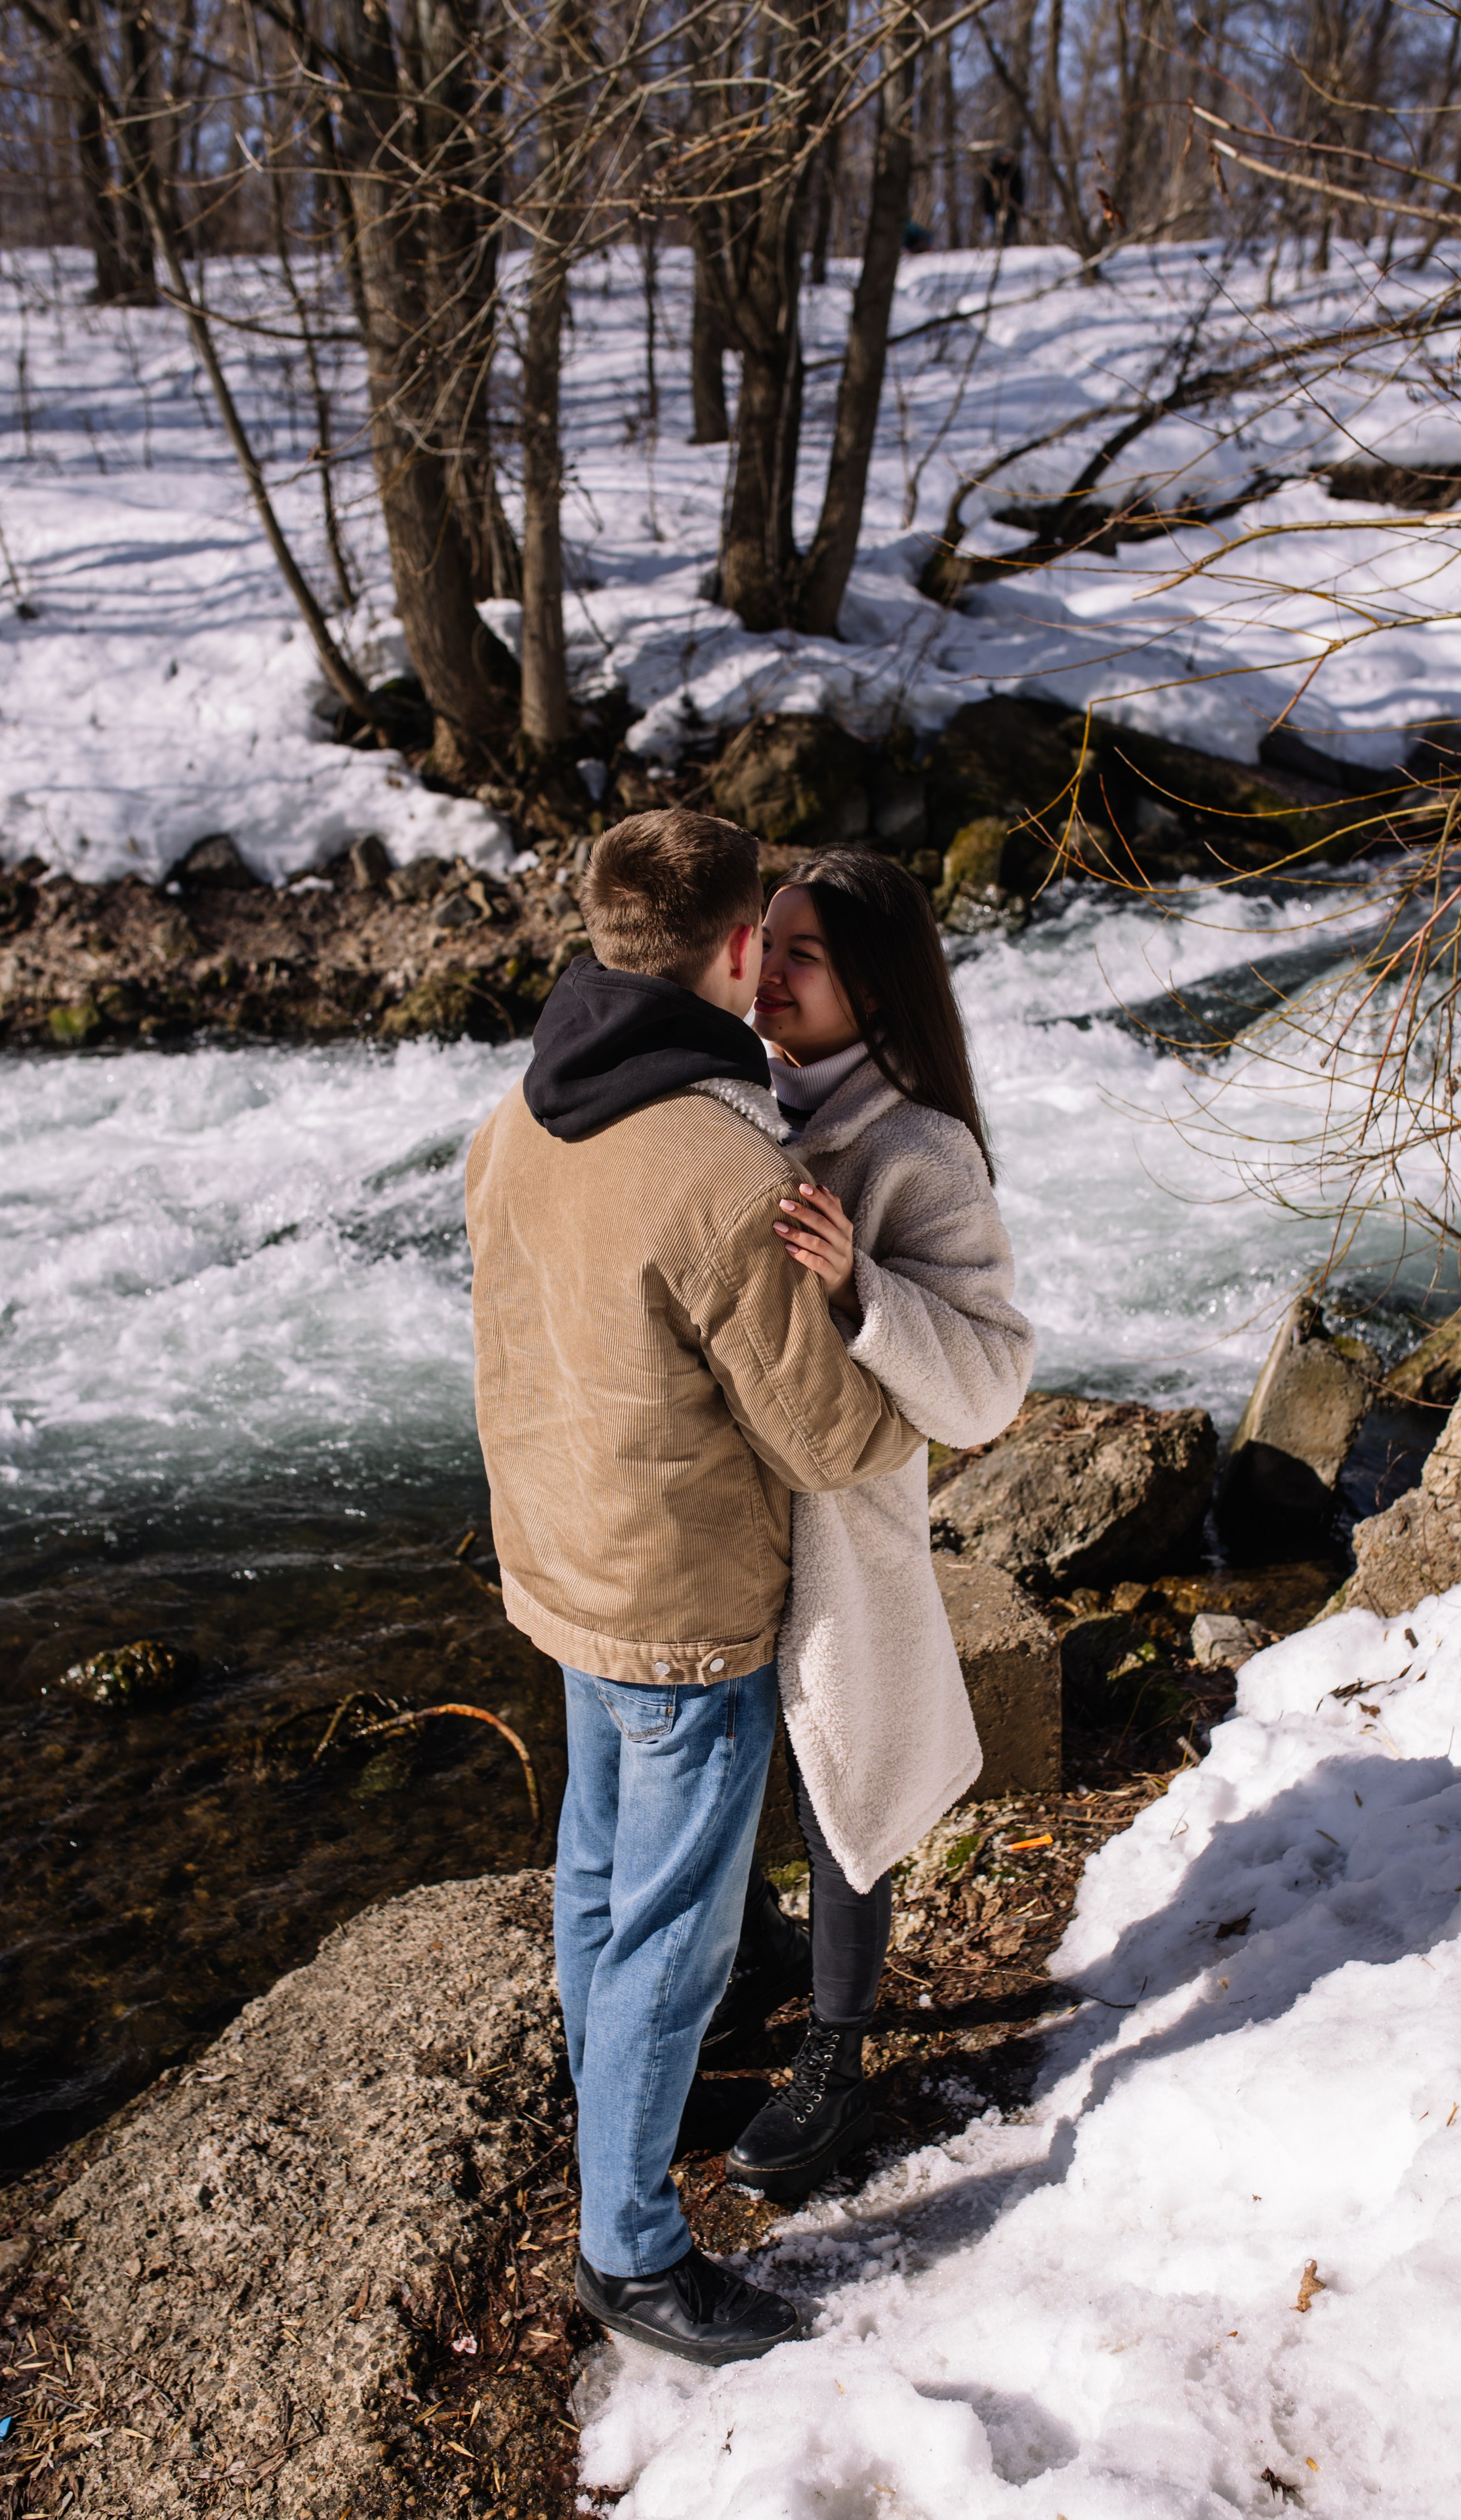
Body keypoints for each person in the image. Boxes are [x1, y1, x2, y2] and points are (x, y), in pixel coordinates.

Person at [463, 808, 920, 2368]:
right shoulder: (725, 1168)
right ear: (734, 947)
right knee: (676, 1933)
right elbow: (830, 1433)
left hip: (563, 1567)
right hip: (679, 1609)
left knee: (597, 1874)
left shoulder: (518, 1111)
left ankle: (606, 2132)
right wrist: (881, 1322)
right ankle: (632, 2251)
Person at [710, 849, 1035, 2202]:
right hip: (723, 1514)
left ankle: (837, 2054)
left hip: (846, 1533)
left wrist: (861, 1291)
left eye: (807, 955)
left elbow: (991, 1382)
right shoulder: (725, 1105)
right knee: (716, 1761)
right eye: (767, 942)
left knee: (840, 1773)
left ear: (876, 988)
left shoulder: (919, 1149)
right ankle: (751, 1967)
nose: (770, 972)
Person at [981, 146, 1025, 247]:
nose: (1006, 159)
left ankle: (1006, 246)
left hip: (1011, 207)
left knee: (1009, 231)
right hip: (994, 207)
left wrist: (1018, 205)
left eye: (1008, 157)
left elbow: (1020, 191)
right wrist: (987, 209)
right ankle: (994, 247)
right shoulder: (993, 172)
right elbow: (986, 192)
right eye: (1004, 156)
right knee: (994, 231)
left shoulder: (1014, 172)